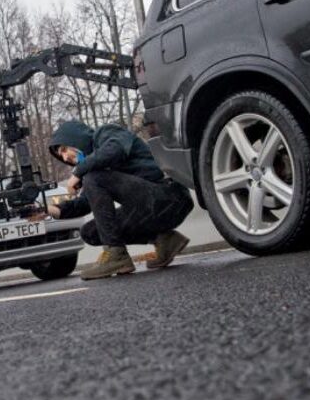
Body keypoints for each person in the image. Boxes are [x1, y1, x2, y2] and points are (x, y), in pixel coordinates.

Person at [40, 120, 194, 280]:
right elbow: (85, 203)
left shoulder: (106, 133)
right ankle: (165, 240)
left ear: (75, 138)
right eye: (61, 156)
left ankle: (116, 254)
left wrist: (79, 171)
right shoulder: (92, 170)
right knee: (90, 232)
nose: (66, 157)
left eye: (64, 149)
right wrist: (50, 210)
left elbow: (114, 150)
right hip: (149, 209)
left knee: (93, 178)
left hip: (170, 196)